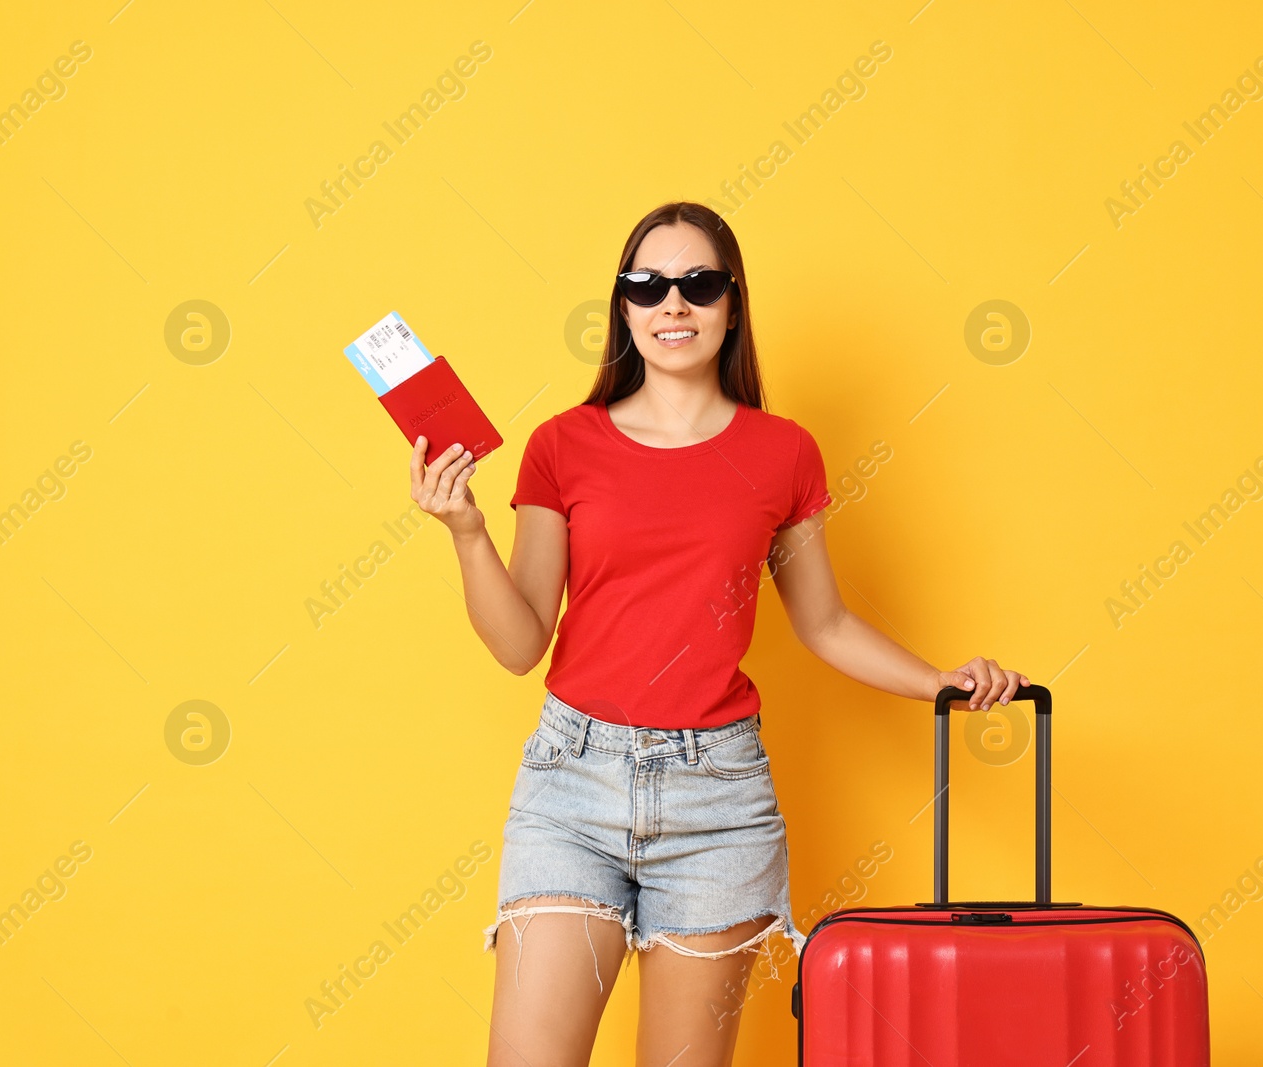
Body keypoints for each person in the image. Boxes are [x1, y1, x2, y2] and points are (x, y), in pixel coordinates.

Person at [410, 201, 1030, 1066]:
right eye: (648, 285)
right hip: (572, 787)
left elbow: (825, 621)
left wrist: (940, 682)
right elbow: (521, 644)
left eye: (698, 284)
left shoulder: (785, 454)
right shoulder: (564, 445)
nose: (674, 304)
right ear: (623, 308)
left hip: (718, 801)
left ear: (732, 304)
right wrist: (467, 531)